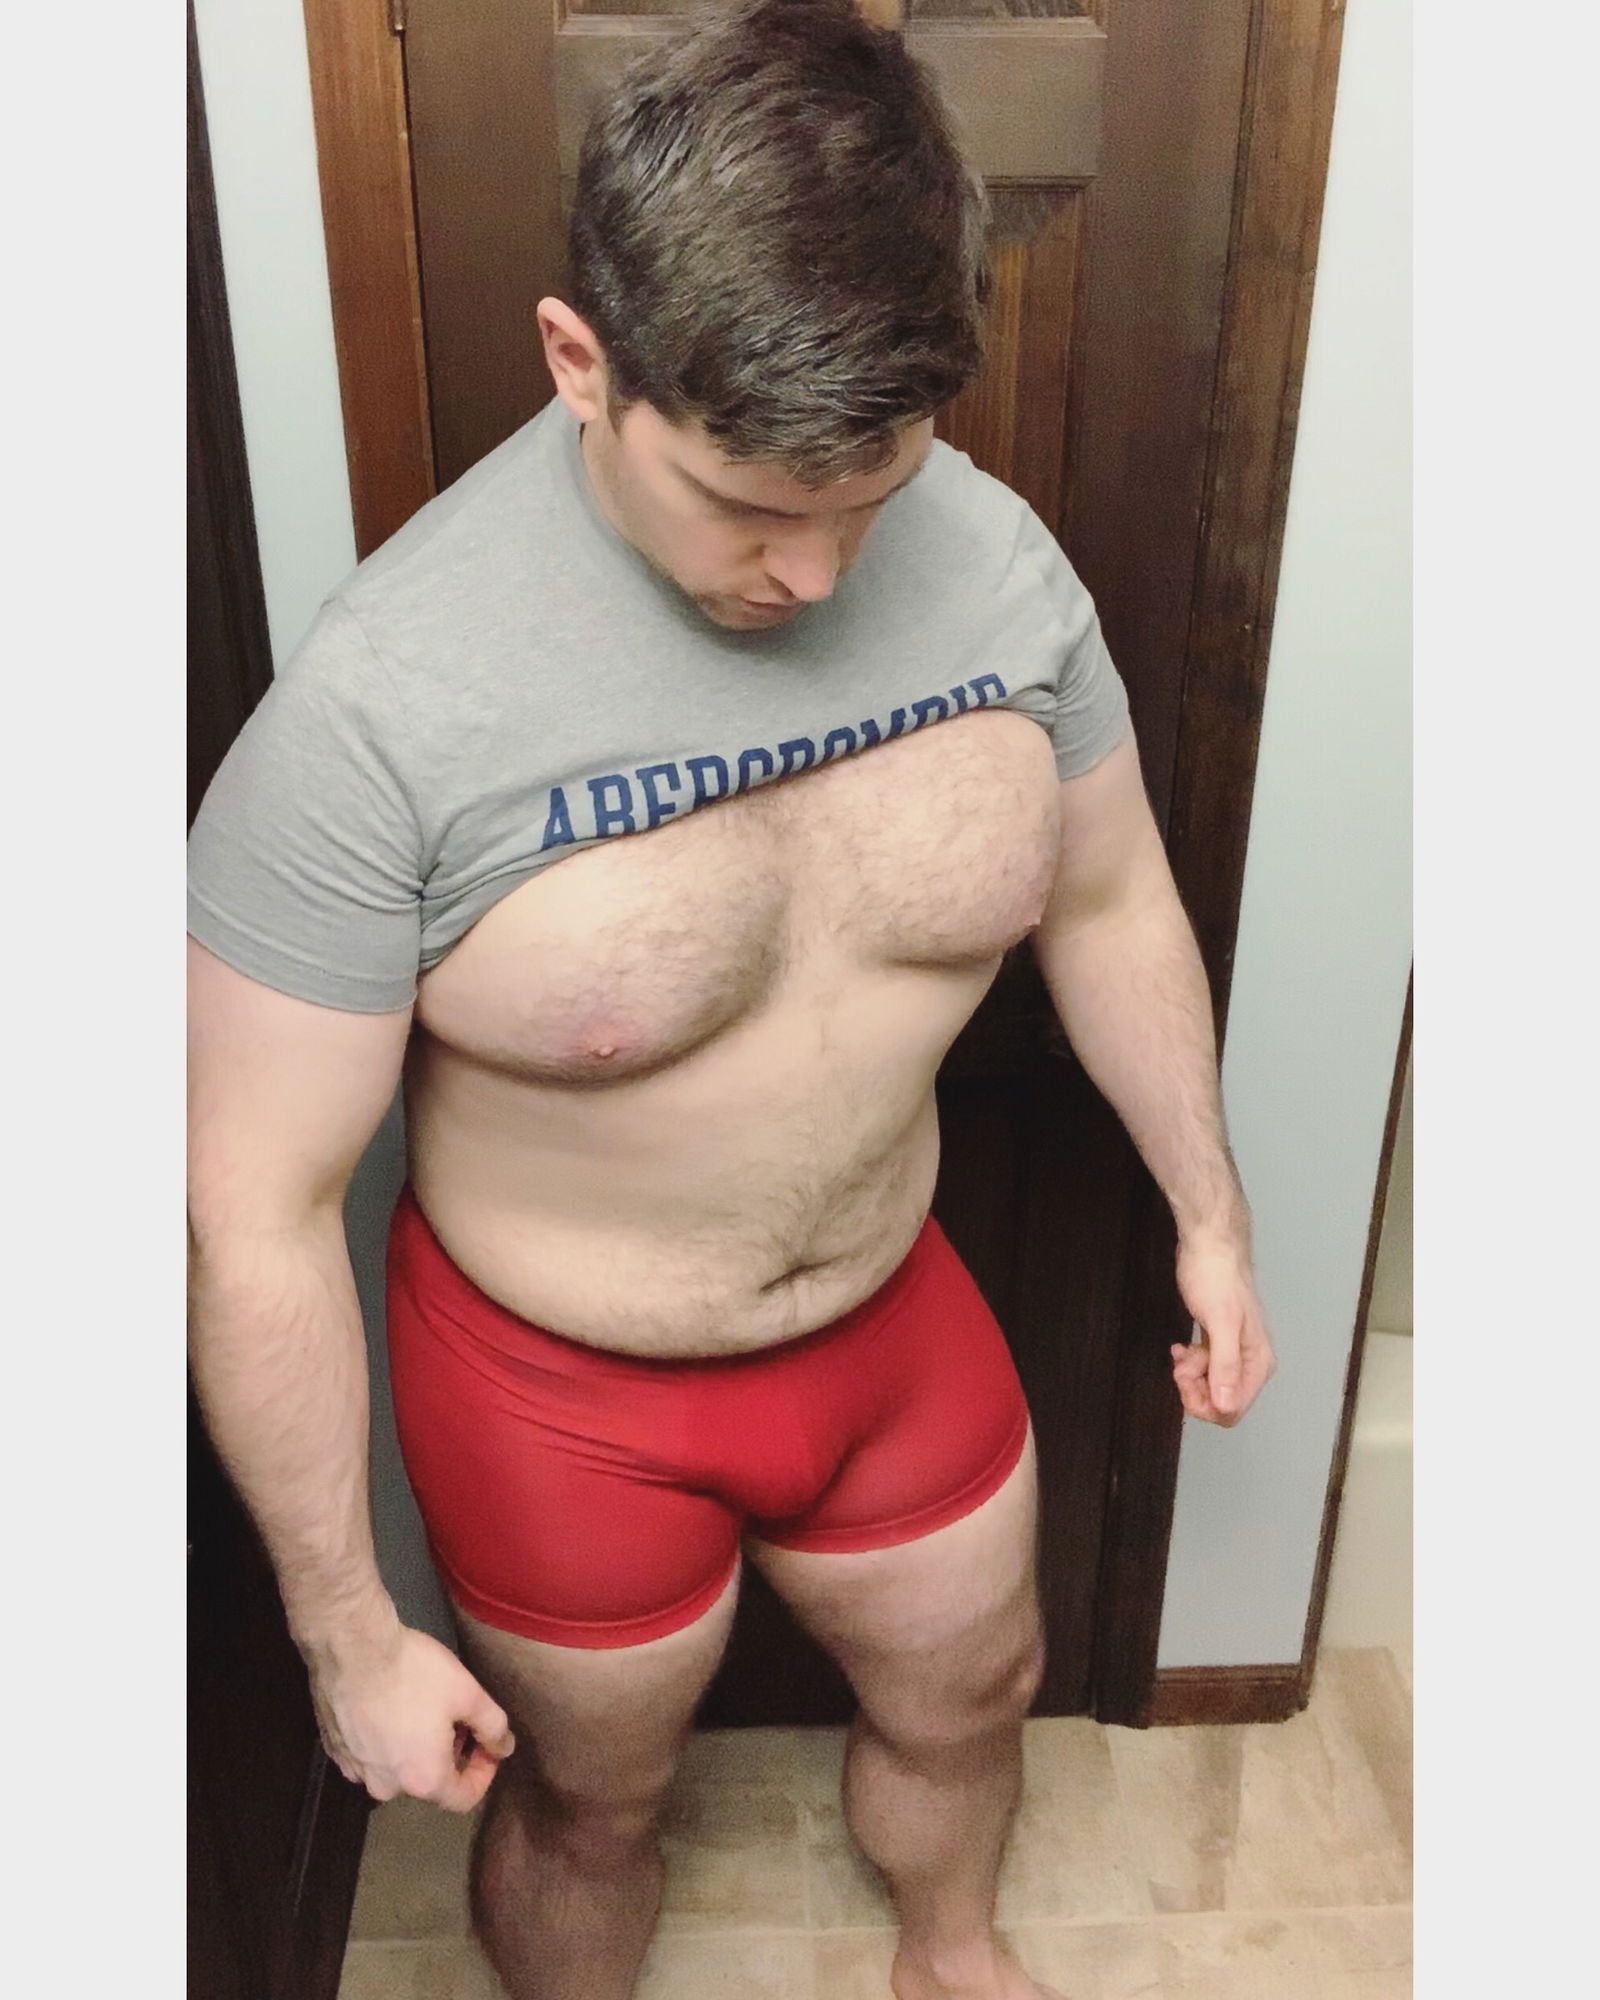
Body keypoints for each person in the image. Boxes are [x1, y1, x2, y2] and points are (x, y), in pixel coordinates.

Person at [186, 4, 1275, 1996]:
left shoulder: (996, 567)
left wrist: (1210, 1211)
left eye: (868, 494)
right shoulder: (382, 706)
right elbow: (249, 1205)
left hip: (887, 1317)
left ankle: (949, 1955)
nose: (816, 573)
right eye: (749, 503)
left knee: (979, 1690)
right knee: (594, 1805)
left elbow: (1112, 896)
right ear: (579, 362)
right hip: (559, 1395)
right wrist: (344, 1636)